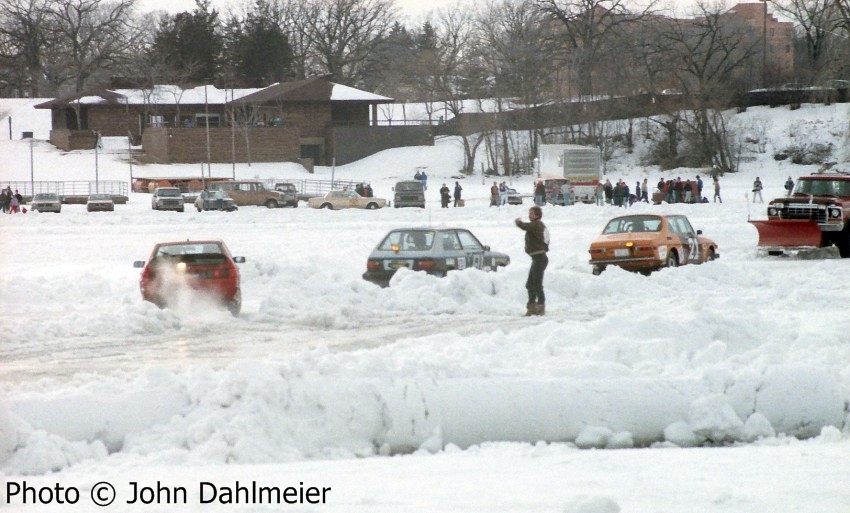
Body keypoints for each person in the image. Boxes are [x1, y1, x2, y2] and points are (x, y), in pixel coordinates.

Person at [515, 206, 549, 316]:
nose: (529, 215)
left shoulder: (537, 224)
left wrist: (519, 223)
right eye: (529, 213)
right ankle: (531, 307)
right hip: (537, 258)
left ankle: (540, 307)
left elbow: (527, 227)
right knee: (530, 284)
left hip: (540, 258)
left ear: (538, 215)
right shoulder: (537, 225)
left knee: (537, 284)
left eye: (532, 213)